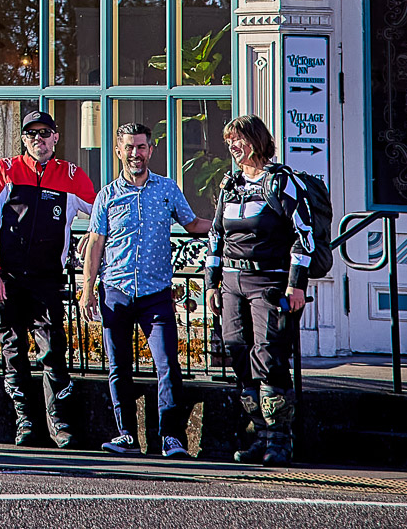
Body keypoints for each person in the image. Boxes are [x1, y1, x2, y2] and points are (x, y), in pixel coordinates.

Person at [78, 123, 211, 458]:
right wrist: (87, 289)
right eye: (129, 147)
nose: (135, 154)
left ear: (151, 150)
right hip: (116, 291)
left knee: (167, 365)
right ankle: (126, 435)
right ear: (119, 151)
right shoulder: (107, 194)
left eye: (141, 147)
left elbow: (192, 224)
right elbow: (96, 243)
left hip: (156, 293)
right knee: (118, 367)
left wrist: (229, 222)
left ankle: (171, 437)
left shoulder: (166, 189)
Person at [0, 108, 96, 448]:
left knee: (53, 352)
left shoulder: (71, 174)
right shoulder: (6, 170)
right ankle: (26, 423)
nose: (38, 140)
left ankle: (59, 424)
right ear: (23, 139)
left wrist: (91, 238)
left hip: (47, 280)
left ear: (56, 137)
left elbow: (101, 213)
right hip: (6, 278)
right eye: (31, 134)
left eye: (45, 133)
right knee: (13, 351)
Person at [207, 114, 316, 466]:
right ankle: (259, 433)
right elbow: (216, 235)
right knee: (237, 350)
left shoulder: (281, 182)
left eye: (237, 140)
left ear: (255, 140)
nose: (232, 147)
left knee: (269, 356)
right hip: (231, 283)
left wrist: (296, 284)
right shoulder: (231, 184)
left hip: (269, 283)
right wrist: (211, 282)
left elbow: (304, 235)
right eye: (229, 142)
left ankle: (279, 441)